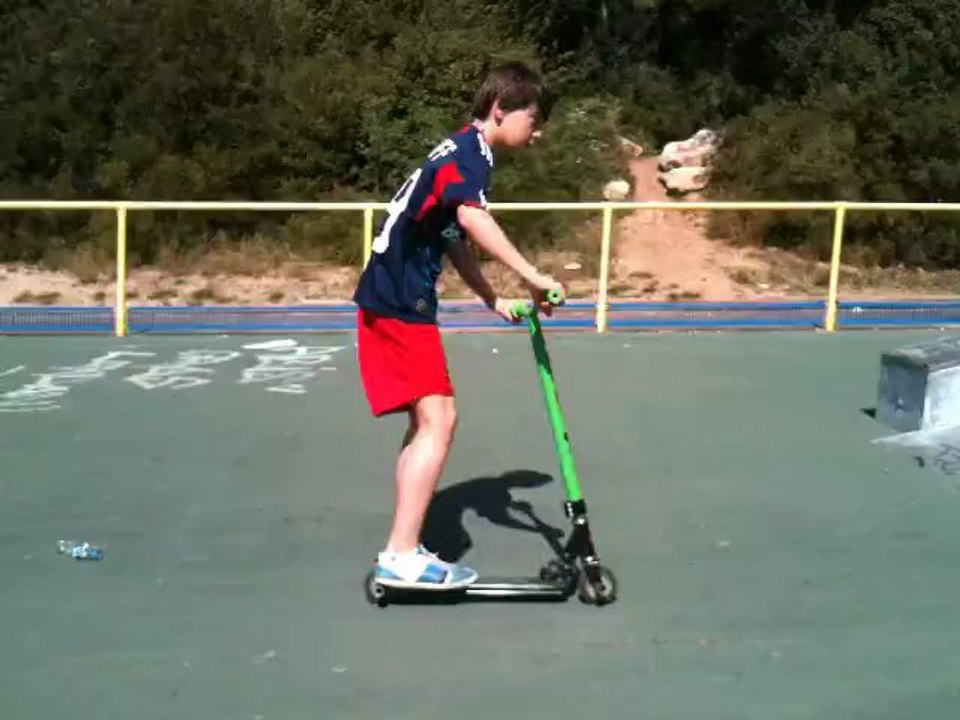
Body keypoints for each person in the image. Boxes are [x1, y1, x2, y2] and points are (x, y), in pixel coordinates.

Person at [353, 61, 564, 590]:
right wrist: (534, 276)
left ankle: (402, 547)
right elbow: (471, 218)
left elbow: (451, 235)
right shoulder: (469, 155)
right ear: (500, 109)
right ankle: (401, 555)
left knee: (427, 421)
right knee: (440, 420)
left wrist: (493, 297)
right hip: (399, 299)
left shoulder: (459, 151)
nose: (537, 132)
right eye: (533, 118)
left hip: (391, 295)